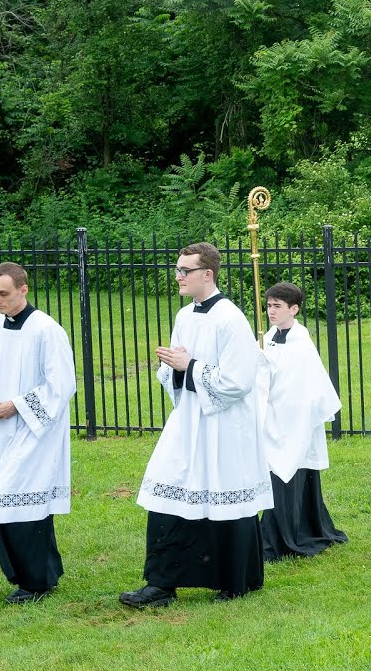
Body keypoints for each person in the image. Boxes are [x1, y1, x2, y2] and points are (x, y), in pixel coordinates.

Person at [121, 242, 272, 608]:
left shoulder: (231, 318)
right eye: (177, 269)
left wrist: (189, 367)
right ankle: (161, 584)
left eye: (184, 271)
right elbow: (180, 366)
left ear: (208, 274)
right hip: (189, 419)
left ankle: (236, 581)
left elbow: (238, 381)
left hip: (224, 426)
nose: (178, 276)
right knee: (168, 489)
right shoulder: (184, 315)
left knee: (223, 495)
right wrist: (174, 366)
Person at [0, 262, 76, 604]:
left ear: (23, 289)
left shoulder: (47, 330)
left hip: (37, 428)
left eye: (3, 293)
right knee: (8, 500)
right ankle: (41, 573)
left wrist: (14, 406)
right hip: (4, 426)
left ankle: (35, 583)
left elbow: (62, 386)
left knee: (18, 501)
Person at [258, 281, 348, 561]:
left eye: (277, 306)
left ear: (294, 309)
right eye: (269, 305)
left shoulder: (301, 341)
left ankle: (288, 535)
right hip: (273, 416)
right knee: (279, 471)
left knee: (291, 469)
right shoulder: (268, 335)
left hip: (293, 418)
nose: (271, 311)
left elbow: (302, 384)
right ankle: (299, 528)